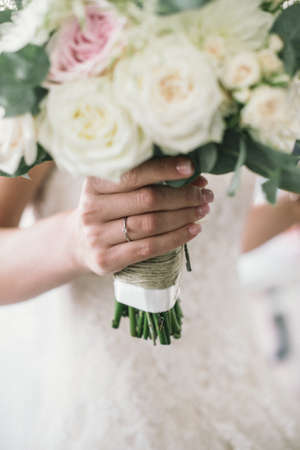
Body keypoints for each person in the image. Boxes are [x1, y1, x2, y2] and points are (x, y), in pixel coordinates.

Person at [0, 160, 299, 449]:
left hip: (240, 385)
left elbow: (211, 238)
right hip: (115, 403)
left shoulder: (247, 109)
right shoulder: (41, 110)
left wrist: (290, 211)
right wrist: (74, 240)